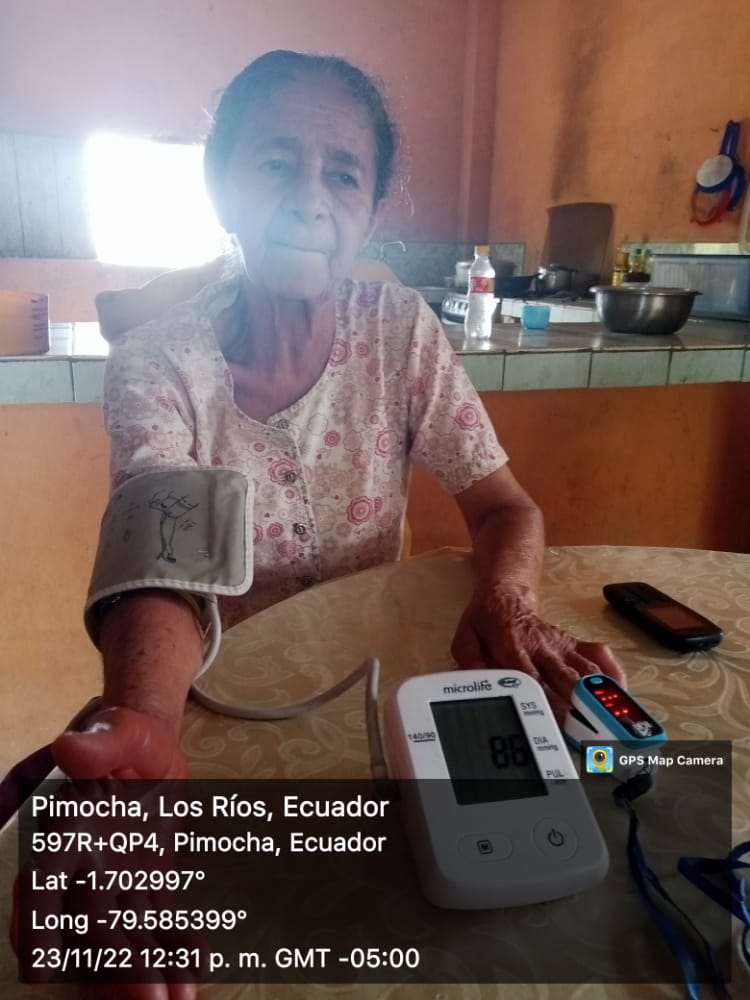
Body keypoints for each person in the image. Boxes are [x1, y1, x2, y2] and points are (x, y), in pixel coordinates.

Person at [52, 48, 625, 786]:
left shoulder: (398, 331)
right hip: (224, 704)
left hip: (374, 690)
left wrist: (507, 604)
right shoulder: (159, 361)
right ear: (221, 190)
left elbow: (503, 508)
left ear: (372, 214)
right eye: (275, 165)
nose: (309, 201)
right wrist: (148, 723)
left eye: (344, 176)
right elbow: (162, 573)